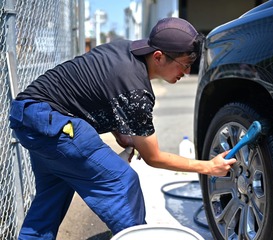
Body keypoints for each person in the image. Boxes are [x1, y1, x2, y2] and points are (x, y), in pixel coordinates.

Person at [9, 17, 236, 239]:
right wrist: (208, 167)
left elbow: (96, 89)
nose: (187, 72)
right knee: (122, 182)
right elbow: (153, 157)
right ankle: (136, 236)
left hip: (28, 116)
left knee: (51, 199)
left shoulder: (124, 50)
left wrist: (121, 131)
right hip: (54, 122)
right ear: (158, 57)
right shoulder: (136, 92)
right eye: (185, 65)